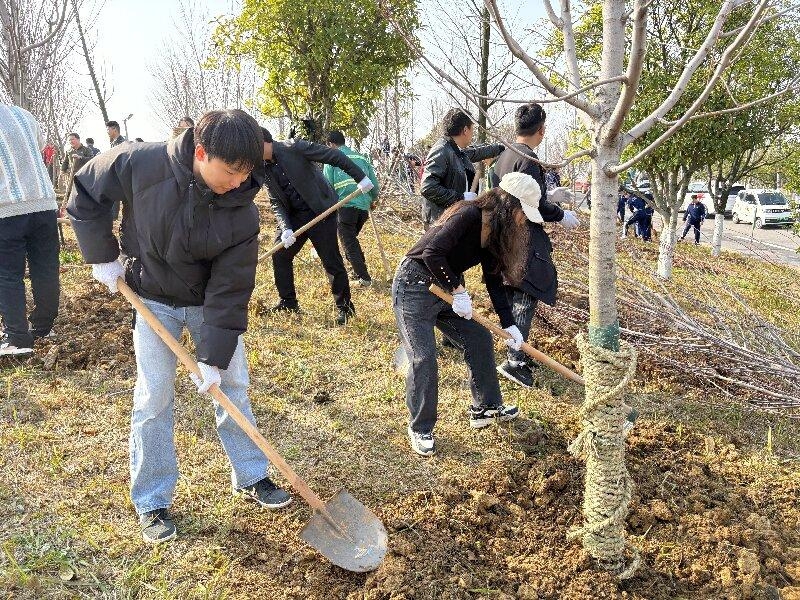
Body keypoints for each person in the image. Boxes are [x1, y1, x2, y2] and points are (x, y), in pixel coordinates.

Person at [67, 109, 291, 544]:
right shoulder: (139, 163)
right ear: (201, 152)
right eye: (229, 172)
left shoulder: (243, 212)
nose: (237, 183)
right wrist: (101, 254)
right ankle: (152, 499)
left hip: (208, 304)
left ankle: (250, 475)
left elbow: (230, 289)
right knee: (154, 396)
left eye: (246, 174)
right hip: (151, 297)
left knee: (232, 386)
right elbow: (86, 192)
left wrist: (213, 355)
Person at [392, 175, 549, 456]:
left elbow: (494, 282)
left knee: (478, 337)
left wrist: (510, 324)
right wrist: (459, 290)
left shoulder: (494, 231)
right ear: (508, 204)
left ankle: (486, 407)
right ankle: (421, 427)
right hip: (414, 285)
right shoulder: (468, 215)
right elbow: (431, 253)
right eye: (522, 213)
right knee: (423, 355)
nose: (523, 221)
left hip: (447, 289)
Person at [489, 103, 579, 388]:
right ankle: (515, 360)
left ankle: (515, 352)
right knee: (525, 297)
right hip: (523, 238)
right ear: (541, 130)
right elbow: (534, 203)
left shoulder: (502, 157)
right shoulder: (529, 160)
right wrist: (560, 213)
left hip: (502, 235)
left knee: (512, 295)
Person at [263, 128, 374, 325]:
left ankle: (345, 308)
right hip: (294, 216)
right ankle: (288, 301)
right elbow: (275, 200)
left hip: (320, 210)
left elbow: (333, 155)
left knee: (330, 259)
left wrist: (360, 177)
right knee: (280, 253)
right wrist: (285, 227)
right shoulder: (261, 166)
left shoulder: (294, 147)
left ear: (263, 142)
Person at [0, 105, 60, 357]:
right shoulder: (23, 115)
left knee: (7, 275)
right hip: (43, 202)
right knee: (45, 268)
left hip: (6, 207)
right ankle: (43, 327)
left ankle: (18, 338)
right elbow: (37, 148)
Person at [419, 108, 505, 228]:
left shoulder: (455, 150)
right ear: (465, 130)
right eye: (472, 129)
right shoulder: (442, 151)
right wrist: (461, 197)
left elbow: (475, 152)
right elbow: (428, 187)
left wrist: (501, 148)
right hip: (439, 223)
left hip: (449, 220)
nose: (472, 133)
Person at [323, 130, 380, 287]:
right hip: (363, 208)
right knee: (351, 241)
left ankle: (364, 278)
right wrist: (374, 199)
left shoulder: (331, 158)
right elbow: (373, 184)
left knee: (348, 242)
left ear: (331, 144)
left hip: (345, 207)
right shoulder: (361, 157)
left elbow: (327, 186)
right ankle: (357, 270)